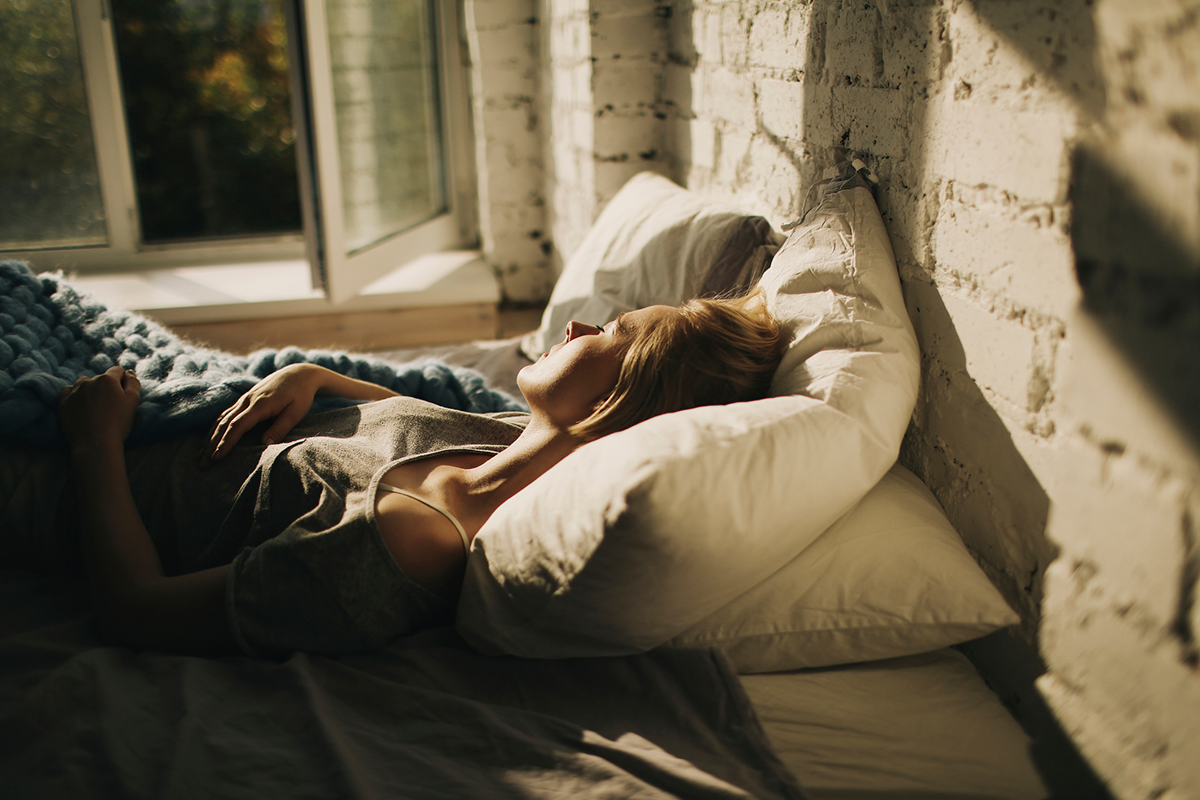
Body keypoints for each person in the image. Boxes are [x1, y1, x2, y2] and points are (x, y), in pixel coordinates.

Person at [48, 293, 785, 657]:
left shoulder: (407, 545)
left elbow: (137, 611)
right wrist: (316, 377)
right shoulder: (507, 436)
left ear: (619, 403)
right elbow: (400, 424)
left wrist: (94, 443)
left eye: (612, 332)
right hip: (149, 414)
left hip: (73, 477)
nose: (577, 327)